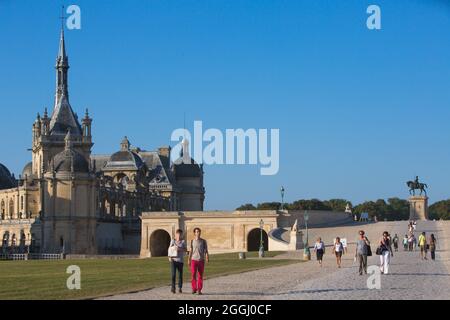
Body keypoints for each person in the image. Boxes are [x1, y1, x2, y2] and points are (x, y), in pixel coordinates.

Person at [188, 228, 209, 295]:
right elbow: (190, 251)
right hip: (193, 260)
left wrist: (207, 257)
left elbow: (206, 250)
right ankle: (194, 289)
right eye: (196, 232)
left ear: (200, 232)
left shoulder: (203, 241)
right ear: (194, 233)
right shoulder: (192, 241)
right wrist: (189, 259)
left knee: (200, 275)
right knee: (193, 274)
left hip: (201, 260)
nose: (198, 233)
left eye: (199, 231)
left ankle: (199, 289)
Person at [169, 229, 187, 294]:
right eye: (178, 234)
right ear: (176, 234)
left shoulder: (183, 242)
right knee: (173, 275)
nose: (178, 236)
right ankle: (173, 288)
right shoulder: (173, 241)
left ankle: (180, 288)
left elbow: (185, 249)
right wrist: (169, 257)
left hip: (180, 261)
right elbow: (170, 249)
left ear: (181, 235)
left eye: (180, 234)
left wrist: (180, 249)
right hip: (173, 260)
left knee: (180, 275)